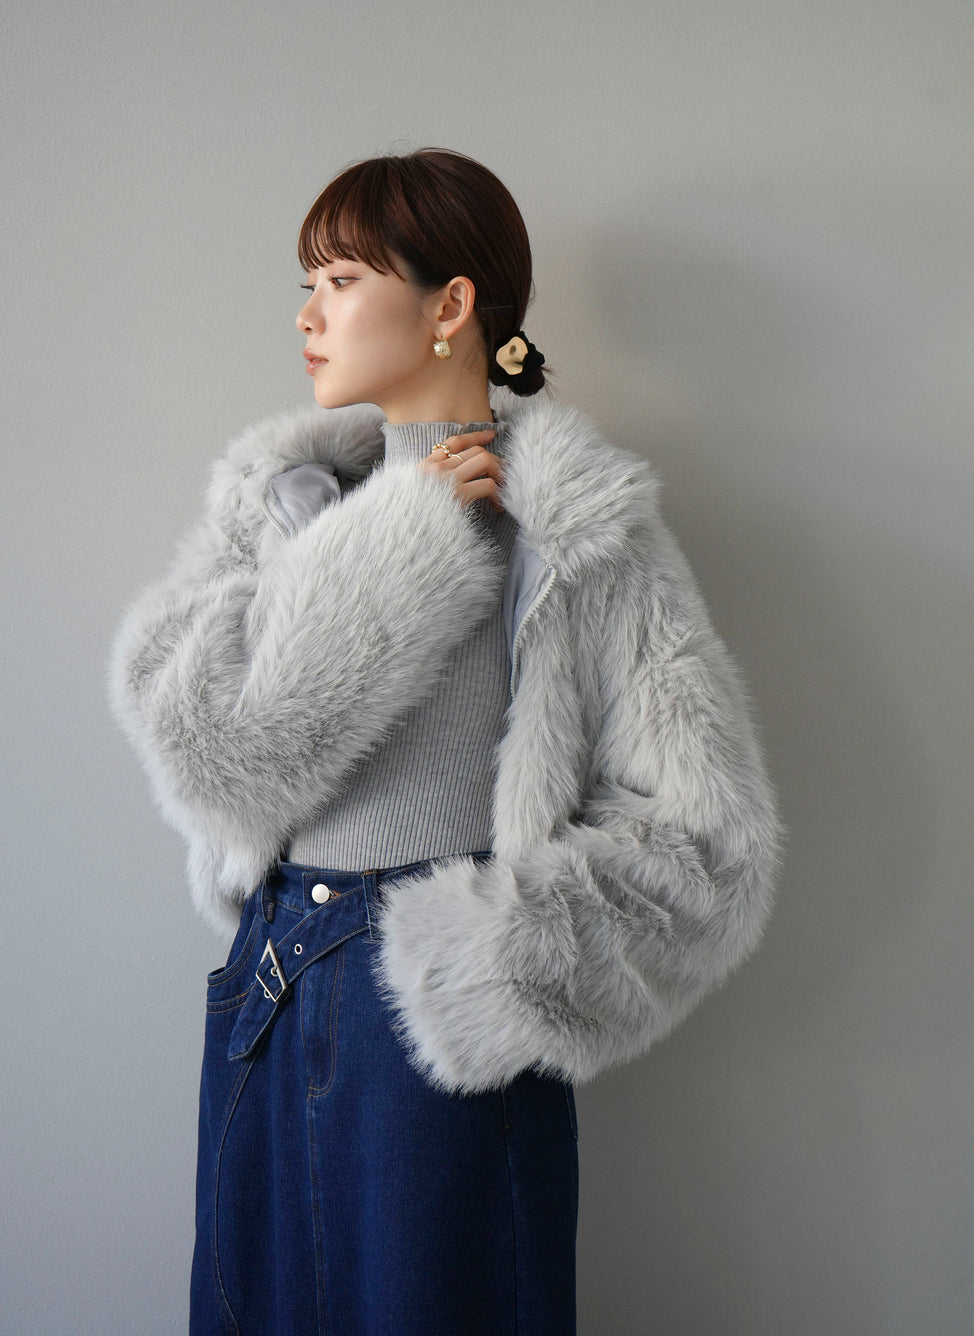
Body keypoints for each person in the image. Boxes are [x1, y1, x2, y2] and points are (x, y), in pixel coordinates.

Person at [106, 147, 783, 1336]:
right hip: (272, 984)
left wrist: (488, 966)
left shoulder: (572, 528)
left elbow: (706, 840)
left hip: (433, 1015)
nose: (309, 315)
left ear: (449, 304)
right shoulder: (285, 507)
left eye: (340, 281)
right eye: (307, 285)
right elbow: (206, 749)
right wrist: (404, 536)